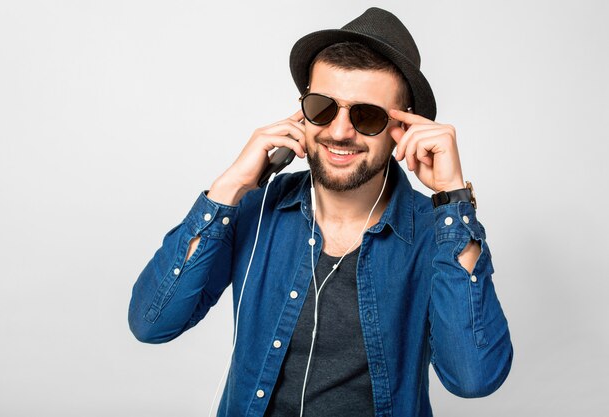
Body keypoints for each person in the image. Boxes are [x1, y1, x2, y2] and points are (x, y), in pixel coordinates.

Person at [128, 7, 513, 417]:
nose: (340, 131)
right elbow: (153, 322)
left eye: (367, 115)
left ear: (403, 129)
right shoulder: (257, 211)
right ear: (302, 112)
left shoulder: (437, 234)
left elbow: (474, 379)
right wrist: (227, 188)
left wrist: (454, 201)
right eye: (322, 107)